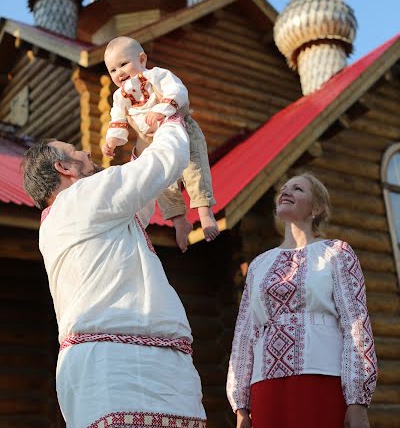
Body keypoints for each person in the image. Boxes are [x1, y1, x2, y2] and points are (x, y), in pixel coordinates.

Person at [22, 119, 207, 428]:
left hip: (124, 361)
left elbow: (140, 195)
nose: (86, 151)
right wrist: (170, 118)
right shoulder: (80, 198)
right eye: (75, 150)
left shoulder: (70, 215)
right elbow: (163, 164)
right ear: (63, 168)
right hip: (120, 361)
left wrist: (144, 133)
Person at [226, 172, 377, 428]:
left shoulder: (337, 253)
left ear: (316, 208)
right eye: (283, 189)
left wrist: (357, 400)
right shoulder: (259, 265)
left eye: (298, 189)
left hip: (322, 377)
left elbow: (355, 323)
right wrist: (241, 405)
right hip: (265, 384)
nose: (286, 192)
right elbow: (244, 333)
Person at [102, 36, 219, 252]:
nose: (118, 73)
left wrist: (161, 109)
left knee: (194, 170)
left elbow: (178, 91)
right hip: (154, 143)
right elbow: (116, 118)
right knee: (163, 183)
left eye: (123, 64)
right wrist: (112, 140)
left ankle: (205, 214)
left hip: (182, 129)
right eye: (112, 70)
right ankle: (179, 221)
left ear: (142, 59)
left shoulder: (157, 75)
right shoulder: (119, 96)